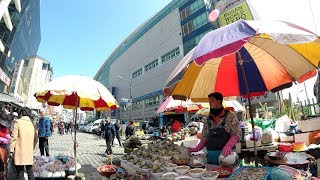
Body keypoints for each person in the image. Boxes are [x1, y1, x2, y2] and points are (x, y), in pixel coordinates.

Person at [188, 92, 241, 165]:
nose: (210, 103)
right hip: (211, 156)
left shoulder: (230, 116)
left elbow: (237, 133)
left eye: (212, 101)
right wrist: (197, 148)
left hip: (227, 156)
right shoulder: (208, 119)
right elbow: (204, 137)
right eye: (209, 101)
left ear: (219, 101)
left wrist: (228, 145)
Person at [9, 107, 38, 180]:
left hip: (19, 151)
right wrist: (32, 147)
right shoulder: (32, 124)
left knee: (20, 172)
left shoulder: (18, 122)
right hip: (29, 151)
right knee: (30, 171)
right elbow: (36, 138)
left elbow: (13, 138)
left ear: (21, 113)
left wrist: (11, 150)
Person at [0, 110, 10, 180]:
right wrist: (1, 139)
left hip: (3, 148)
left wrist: (8, 137)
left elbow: (7, 133)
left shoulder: (6, 127)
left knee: (2, 165)